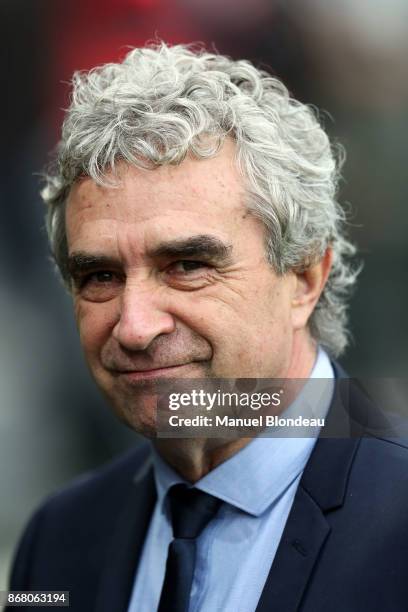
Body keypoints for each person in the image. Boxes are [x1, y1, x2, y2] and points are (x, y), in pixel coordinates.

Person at [6, 43, 408, 612]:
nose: (135, 326)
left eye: (187, 266)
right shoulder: (57, 541)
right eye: (99, 275)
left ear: (304, 277)